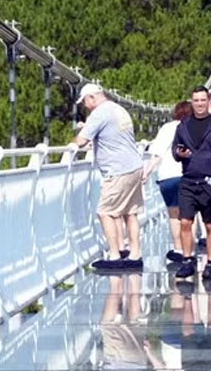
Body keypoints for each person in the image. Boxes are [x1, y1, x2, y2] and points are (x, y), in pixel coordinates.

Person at [73, 83, 144, 270]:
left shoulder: (99, 113)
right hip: (134, 166)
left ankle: (114, 255)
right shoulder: (119, 109)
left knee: (105, 212)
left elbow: (81, 141)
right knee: (130, 213)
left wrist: (73, 140)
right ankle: (135, 254)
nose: (85, 106)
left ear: (92, 97)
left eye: (85, 102)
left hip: (117, 170)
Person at [172, 86, 211, 280]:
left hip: (210, 181)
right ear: (192, 102)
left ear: (208, 101)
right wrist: (179, 153)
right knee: (185, 222)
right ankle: (187, 260)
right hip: (188, 180)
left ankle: (210, 263)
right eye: (196, 100)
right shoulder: (183, 126)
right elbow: (175, 150)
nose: (199, 104)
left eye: (203, 100)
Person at [144, 100, 193, 264]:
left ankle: (178, 249)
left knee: (174, 215)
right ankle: (189, 250)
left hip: (168, 176)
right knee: (190, 215)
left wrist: (147, 171)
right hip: (190, 175)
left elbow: (157, 154)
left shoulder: (167, 128)